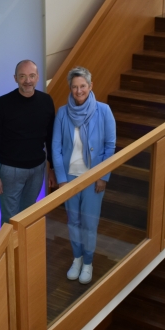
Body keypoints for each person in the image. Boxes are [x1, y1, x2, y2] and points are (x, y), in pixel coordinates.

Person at [52, 66, 116, 284]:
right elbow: (56, 148)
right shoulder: (62, 113)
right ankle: (77, 259)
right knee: (73, 221)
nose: (79, 91)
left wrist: (103, 176)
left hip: (93, 179)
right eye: (75, 87)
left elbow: (110, 147)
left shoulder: (104, 111)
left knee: (89, 224)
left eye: (83, 86)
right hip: (69, 178)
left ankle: (88, 263)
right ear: (70, 88)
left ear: (90, 86)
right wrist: (61, 179)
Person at [0, 60, 57, 225]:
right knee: (10, 221)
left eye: (32, 76)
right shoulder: (2, 103)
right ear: (15, 78)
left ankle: (24, 251)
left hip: (37, 169)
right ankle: (10, 251)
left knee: (28, 217)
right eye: (22, 76)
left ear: (38, 77)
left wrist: (52, 167)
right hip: (11, 171)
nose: (28, 80)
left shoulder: (46, 101)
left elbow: (50, 137)